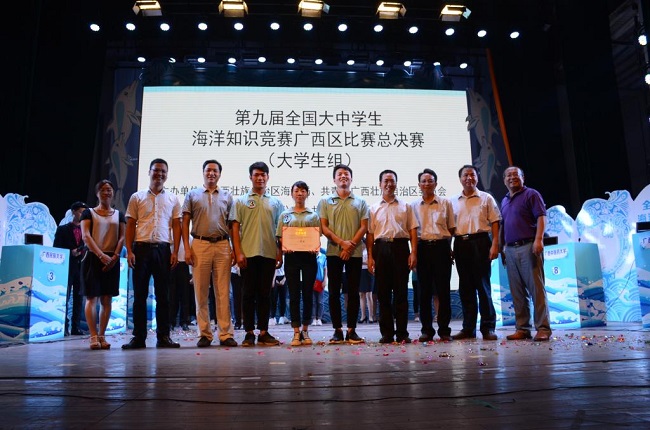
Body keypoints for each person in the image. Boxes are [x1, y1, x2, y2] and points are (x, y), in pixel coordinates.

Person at [122, 158, 182, 349]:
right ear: (149, 172)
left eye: (163, 171)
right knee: (139, 296)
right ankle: (139, 337)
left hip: (163, 250)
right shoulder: (137, 197)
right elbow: (130, 225)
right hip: (141, 249)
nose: (159, 174)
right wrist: (129, 250)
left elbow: (176, 226)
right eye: (156, 170)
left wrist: (175, 251)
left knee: (164, 296)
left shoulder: (173, 198)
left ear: (167, 175)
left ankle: (163, 337)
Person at [181, 159, 237, 348]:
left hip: (222, 245)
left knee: (223, 292)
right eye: (208, 170)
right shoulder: (192, 194)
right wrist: (186, 249)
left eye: (215, 171)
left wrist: (234, 249)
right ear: (203, 172)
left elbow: (232, 225)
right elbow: (184, 222)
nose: (211, 173)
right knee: (201, 291)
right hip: (199, 244)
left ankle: (225, 333)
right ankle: (204, 333)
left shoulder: (227, 196)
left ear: (219, 174)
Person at [230, 161, 285, 346]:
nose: (260, 178)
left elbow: (280, 231)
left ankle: (263, 332)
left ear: (268, 177)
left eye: (263, 175)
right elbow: (235, 228)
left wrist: (280, 253)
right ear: (250, 177)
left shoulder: (276, 202)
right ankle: (248, 333)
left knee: (265, 294)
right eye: (256, 175)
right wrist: (238, 252)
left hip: (269, 253)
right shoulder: (241, 201)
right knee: (247, 294)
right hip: (248, 253)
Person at [500, 166, 552, 342]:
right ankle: (522, 328)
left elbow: (541, 217)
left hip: (529, 246)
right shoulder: (504, 200)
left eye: (516, 175)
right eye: (508, 175)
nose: (512, 177)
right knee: (517, 292)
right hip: (510, 249)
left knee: (536, 289)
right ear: (504, 180)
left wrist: (539, 239)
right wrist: (502, 247)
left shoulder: (531, 194)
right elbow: (504, 225)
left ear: (523, 178)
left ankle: (543, 328)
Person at [318, 164, 368, 344]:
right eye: (339, 174)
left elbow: (364, 227)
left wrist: (349, 246)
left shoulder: (360, 202)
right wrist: (342, 244)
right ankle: (337, 330)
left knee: (353, 292)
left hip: (355, 253)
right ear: (334, 179)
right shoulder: (325, 201)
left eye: (346, 174)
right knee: (333, 292)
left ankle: (352, 330)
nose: (343, 176)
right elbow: (323, 227)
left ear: (351, 179)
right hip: (333, 252)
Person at [367, 169, 418, 344]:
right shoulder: (373, 208)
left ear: (396, 184)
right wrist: (370, 257)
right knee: (383, 294)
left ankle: (402, 333)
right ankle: (387, 333)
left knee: (401, 293)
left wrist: (413, 252)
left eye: (392, 181)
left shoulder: (406, 206)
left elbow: (412, 230)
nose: (389, 184)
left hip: (400, 248)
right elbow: (370, 235)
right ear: (380, 184)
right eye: (385, 181)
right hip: (380, 249)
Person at [451, 164, 501, 341]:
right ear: (460, 179)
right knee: (466, 288)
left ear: (477, 178)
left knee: (483, 286)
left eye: (472, 175)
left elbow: (495, 222)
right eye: (465, 175)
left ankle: (488, 327)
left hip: (481, 243)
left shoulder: (486, 198)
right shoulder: (453, 201)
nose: (469, 178)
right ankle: (468, 328)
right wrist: (450, 247)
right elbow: (450, 227)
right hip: (460, 244)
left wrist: (495, 244)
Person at [410, 168, 456, 343]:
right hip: (422, 248)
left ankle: (444, 330)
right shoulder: (413, 206)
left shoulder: (446, 203)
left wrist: (448, 248)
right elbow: (412, 232)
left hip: (441, 248)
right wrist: (414, 253)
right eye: (424, 181)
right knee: (424, 292)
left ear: (436, 184)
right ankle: (426, 330)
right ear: (419, 185)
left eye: (430, 181)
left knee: (443, 291)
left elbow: (451, 228)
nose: (427, 183)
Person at [79, 180, 126, 350]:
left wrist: (115, 256)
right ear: (97, 193)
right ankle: (93, 335)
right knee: (92, 297)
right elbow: (86, 236)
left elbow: (122, 237)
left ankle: (102, 335)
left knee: (107, 298)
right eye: (103, 190)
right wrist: (100, 255)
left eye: (109, 190)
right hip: (93, 257)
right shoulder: (88, 213)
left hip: (112, 258)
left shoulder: (119, 214)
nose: (107, 192)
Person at [53, 201, 89, 336]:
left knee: (79, 299)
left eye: (84, 212)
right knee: (65, 296)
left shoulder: (87, 231)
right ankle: (63, 326)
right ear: (73, 212)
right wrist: (70, 252)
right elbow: (56, 248)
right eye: (80, 212)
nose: (82, 215)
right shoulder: (63, 229)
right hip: (67, 266)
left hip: (82, 267)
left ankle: (76, 327)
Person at [169, 236, 192, 331]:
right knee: (172, 295)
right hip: (172, 264)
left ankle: (184, 321)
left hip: (184, 264)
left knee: (185, 295)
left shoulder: (188, 237)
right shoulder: (170, 233)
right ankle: (171, 321)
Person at [359, 241, 375, 324]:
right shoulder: (358, 251)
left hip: (368, 271)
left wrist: (362, 262)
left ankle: (371, 316)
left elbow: (371, 262)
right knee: (361, 294)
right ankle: (363, 316)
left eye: (362, 243)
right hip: (360, 272)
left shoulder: (369, 251)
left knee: (369, 294)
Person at [312, 248, 327, 326]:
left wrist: (325, 280)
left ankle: (319, 318)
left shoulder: (323, 256)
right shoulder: (311, 256)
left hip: (320, 281)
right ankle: (314, 318)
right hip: (312, 281)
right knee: (313, 301)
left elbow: (325, 269)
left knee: (320, 301)